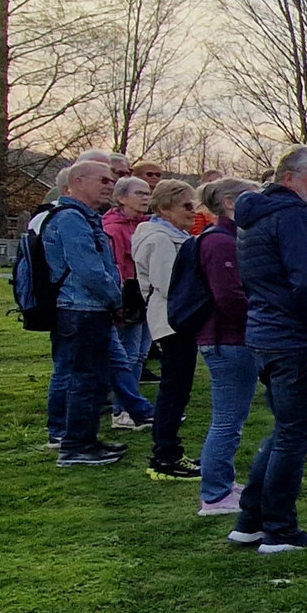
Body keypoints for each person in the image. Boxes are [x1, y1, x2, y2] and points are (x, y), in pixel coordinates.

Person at [231, 145, 307, 554]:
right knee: (294, 437)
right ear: (288, 178)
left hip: (267, 333)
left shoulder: (256, 217)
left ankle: (250, 520)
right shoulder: (292, 215)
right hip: (296, 338)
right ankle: (279, 529)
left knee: (283, 431)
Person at [44, 160, 128, 466]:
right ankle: (75, 446)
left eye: (111, 180)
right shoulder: (70, 219)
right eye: (103, 180)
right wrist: (116, 298)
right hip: (80, 308)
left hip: (89, 308)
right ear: (78, 182)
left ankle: (88, 440)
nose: (110, 185)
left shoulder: (86, 218)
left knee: (94, 379)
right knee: (84, 379)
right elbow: (89, 269)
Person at [131, 179, 202, 481]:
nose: (192, 212)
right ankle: (166, 455)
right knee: (174, 389)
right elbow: (168, 284)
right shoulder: (159, 239)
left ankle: (168, 451)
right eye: (186, 206)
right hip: (172, 321)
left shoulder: (173, 236)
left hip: (177, 319)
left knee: (178, 388)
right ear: (164, 208)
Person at [193, 177, 256, 516]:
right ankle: (215, 495)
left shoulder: (231, 239)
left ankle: (223, 482)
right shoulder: (220, 243)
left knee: (234, 416)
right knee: (227, 419)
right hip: (226, 339)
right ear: (231, 202)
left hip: (231, 338)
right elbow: (229, 297)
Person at [103, 174, 158, 431]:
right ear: (121, 197)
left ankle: (132, 406)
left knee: (140, 354)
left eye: (148, 193)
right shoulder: (114, 228)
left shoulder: (147, 225)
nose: (146, 198)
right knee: (129, 354)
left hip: (149, 295)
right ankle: (121, 409)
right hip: (129, 296)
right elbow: (116, 265)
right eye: (139, 193)